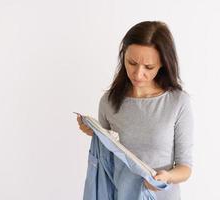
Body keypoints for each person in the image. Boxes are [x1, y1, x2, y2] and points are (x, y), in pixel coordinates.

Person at [76, 21, 194, 200]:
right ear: (123, 56)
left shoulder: (178, 102)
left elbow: (185, 168)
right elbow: (110, 157)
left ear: (163, 63)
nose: (138, 74)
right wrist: (96, 134)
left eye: (149, 67)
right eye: (131, 63)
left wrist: (167, 177)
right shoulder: (109, 102)